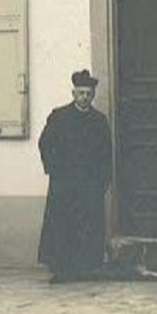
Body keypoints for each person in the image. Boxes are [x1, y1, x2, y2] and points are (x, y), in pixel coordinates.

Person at [36, 69, 113, 282]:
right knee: (62, 224)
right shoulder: (59, 116)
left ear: (93, 95)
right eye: (81, 93)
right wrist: (53, 168)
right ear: (73, 93)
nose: (84, 97)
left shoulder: (99, 121)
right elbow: (44, 143)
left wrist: (104, 179)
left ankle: (86, 268)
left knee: (89, 224)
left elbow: (107, 152)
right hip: (64, 183)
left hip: (90, 184)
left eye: (88, 93)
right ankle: (61, 269)